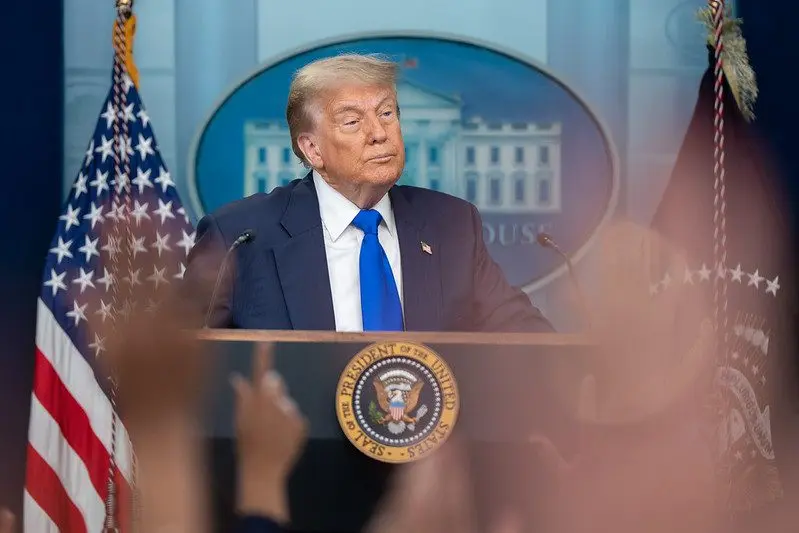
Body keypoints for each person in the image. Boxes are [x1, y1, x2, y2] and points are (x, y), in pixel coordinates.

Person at [185, 53, 553, 332]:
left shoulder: (451, 225)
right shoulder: (239, 238)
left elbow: (527, 341)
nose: (379, 133)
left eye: (387, 113)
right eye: (352, 121)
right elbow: (165, 377)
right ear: (312, 150)